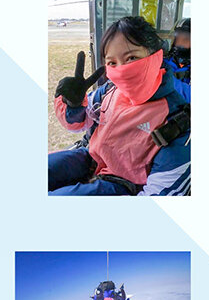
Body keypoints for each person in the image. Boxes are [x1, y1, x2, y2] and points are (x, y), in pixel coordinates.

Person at [49, 16, 190, 196]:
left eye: (131, 58)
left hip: (124, 184)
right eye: (112, 63)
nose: (122, 70)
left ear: (156, 55)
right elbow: (78, 123)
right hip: (91, 158)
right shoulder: (110, 90)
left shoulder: (177, 121)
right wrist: (74, 105)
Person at [164, 19, 191, 103]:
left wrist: (164, 79)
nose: (179, 42)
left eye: (185, 39)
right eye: (177, 38)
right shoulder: (166, 60)